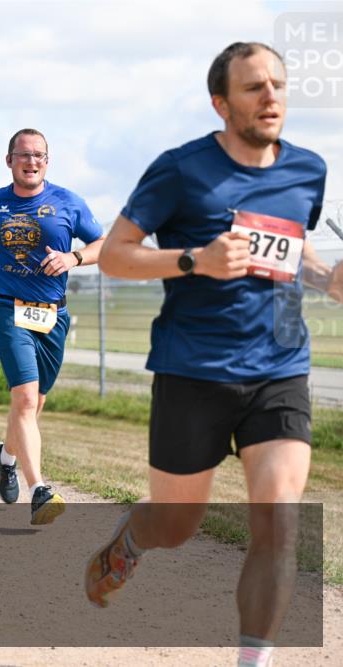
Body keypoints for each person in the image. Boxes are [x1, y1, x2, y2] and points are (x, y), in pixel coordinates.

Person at [85, 42, 341, 667]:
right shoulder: (180, 170)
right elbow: (114, 254)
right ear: (221, 103)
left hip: (280, 368)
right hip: (192, 370)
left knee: (280, 521)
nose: (271, 96)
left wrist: (327, 279)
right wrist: (194, 260)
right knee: (175, 525)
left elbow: (294, 249)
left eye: (278, 84)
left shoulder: (307, 169)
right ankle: (132, 539)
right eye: (254, 87)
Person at [0, 128, 104, 525]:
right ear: (9, 161)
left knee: (34, 404)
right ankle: (39, 489)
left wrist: (74, 258)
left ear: (47, 161)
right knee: (24, 399)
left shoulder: (69, 202)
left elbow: (102, 244)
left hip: (52, 314)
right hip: (6, 308)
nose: (31, 161)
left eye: (39, 155)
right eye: (23, 155)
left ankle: (5, 457)